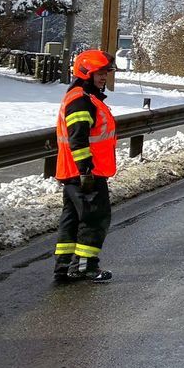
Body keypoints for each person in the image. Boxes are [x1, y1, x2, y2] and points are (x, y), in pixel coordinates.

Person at [53, 49, 119, 284]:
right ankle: (85, 266)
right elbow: (78, 139)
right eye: (99, 73)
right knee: (95, 218)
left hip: (74, 173)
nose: (104, 77)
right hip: (85, 173)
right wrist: (86, 171)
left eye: (106, 73)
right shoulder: (81, 100)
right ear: (86, 73)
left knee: (72, 219)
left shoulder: (83, 97)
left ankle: (64, 266)